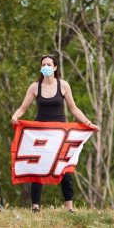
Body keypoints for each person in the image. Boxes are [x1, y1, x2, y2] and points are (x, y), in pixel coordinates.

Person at [11, 54, 99, 213]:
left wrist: (87, 123)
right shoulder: (34, 87)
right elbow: (23, 108)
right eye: (43, 64)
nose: (46, 67)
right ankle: (35, 206)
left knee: (64, 168)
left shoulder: (64, 85)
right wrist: (15, 116)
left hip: (60, 134)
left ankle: (69, 206)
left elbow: (74, 108)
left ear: (55, 67)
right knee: (37, 167)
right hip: (40, 132)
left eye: (49, 64)